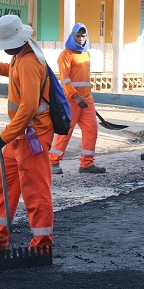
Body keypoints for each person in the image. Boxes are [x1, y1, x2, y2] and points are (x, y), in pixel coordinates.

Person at [0, 14, 55, 254]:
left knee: (35, 193)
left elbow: (27, 108)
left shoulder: (28, 63)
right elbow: (15, 72)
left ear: (17, 41)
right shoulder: (21, 55)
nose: (4, 50)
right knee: (3, 186)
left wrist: (3, 137)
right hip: (19, 136)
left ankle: (42, 245)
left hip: (31, 137)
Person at [49, 23, 106, 175]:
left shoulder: (86, 54)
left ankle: (87, 164)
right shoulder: (65, 55)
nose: (81, 39)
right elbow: (64, 79)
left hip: (86, 99)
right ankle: (53, 162)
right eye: (78, 36)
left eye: (83, 36)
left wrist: (84, 96)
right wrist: (75, 95)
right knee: (65, 131)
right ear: (72, 36)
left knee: (91, 130)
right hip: (71, 100)